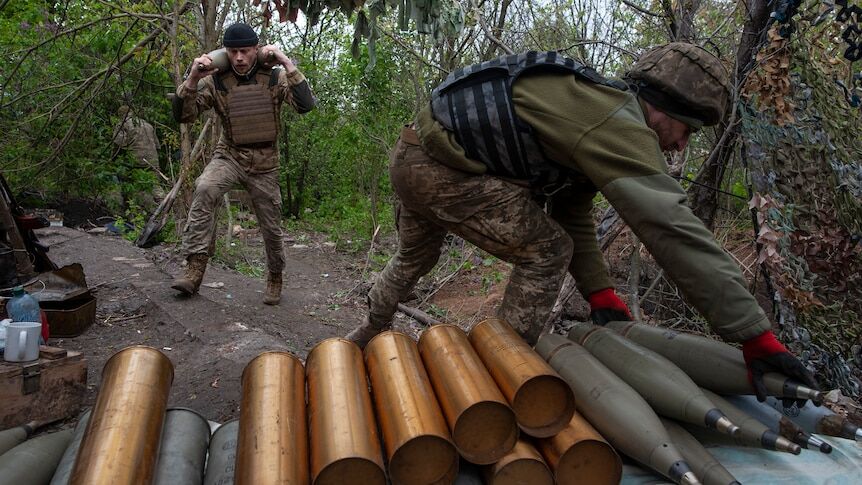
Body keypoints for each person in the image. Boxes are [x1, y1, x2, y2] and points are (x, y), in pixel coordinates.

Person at [344, 44, 819, 400]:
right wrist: (754, 334)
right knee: (546, 251)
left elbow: (572, 210)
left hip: (412, 154)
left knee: (414, 256)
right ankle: (496, 381)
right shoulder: (616, 123)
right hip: (442, 172)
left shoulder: (589, 105)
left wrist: (599, 294)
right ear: (662, 107)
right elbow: (670, 226)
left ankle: (366, 331)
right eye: (686, 130)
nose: (680, 145)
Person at [170, 22, 315, 305]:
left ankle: (275, 276)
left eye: (245, 51)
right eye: (233, 51)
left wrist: (286, 62)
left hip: (265, 162)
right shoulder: (216, 80)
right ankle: (194, 269)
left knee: (271, 226)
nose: (239, 58)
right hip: (230, 155)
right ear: (225, 51)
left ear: (255, 50)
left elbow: (305, 105)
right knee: (205, 187)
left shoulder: (274, 77)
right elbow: (184, 116)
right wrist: (192, 78)